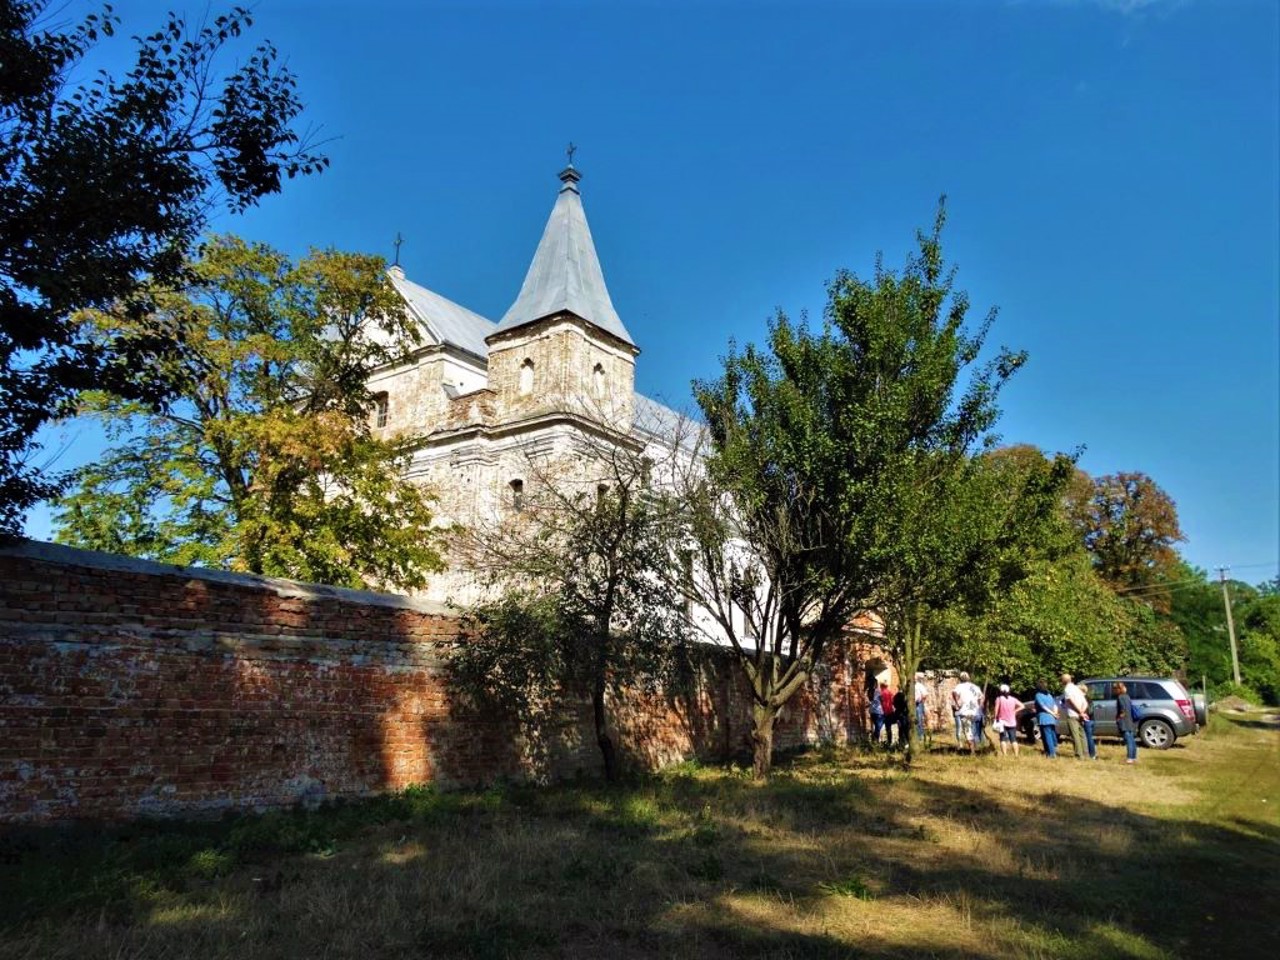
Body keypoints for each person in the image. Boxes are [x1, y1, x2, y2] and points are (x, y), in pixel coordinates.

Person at [1061, 673, 1095, 760]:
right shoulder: (1077, 688)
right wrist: (1083, 712)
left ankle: (1079, 755)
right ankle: (1086, 753)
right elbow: (1085, 702)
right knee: (1082, 735)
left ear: (1064, 681)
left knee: (1075, 735)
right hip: (1081, 714)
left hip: (1073, 715)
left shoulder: (1067, 689)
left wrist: (1079, 712)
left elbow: (1070, 701)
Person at [952, 672, 984, 755]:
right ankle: (976, 749)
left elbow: (954, 693)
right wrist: (980, 706)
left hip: (965, 712)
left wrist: (957, 703)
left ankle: (972, 751)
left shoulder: (959, 686)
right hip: (976, 712)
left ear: (960, 678)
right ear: (969, 678)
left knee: (968, 731)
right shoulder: (975, 686)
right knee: (975, 731)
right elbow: (982, 697)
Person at [992, 684, 1022, 757]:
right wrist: (1015, 711)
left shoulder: (999, 699)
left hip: (1002, 722)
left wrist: (995, 718)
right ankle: (1016, 755)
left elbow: (996, 710)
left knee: (1003, 739)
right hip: (1012, 722)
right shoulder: (1013, 699)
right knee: (1013, 739)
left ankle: (1005, 755)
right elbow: (1022, 706)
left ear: (1000, 691)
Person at [1034, 680, 1059, 758]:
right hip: (1052, 718)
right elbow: (1055, 705)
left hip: (1044, 718)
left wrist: (1052, 713)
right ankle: (1051, 751)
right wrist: (1055, 713)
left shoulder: (1038, 695)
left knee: (1047, 736)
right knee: (1052, 734)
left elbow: (1043, 706)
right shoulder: (1049, 695)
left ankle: (1052, 754)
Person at [1115, 680, 1139, 764]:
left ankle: (1129, 758)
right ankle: (1134, 757)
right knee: (1131, 739)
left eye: (1115, 689)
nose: (1114, 690)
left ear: (1119, 689)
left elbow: (1123, 710)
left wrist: (1118, 718)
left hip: (1124, 721)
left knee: (1128, 739)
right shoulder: (1127, 696)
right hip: (1130, 720)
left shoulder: (1120, 697)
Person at [879, 681, 896, 746]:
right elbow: (893, 702)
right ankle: (890, 741)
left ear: (882, 686)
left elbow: (880, 703)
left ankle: (883, 742)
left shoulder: (881, 693)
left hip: (884, 712)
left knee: (880, 727)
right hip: (890, 711)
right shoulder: (890, 692)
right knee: (889, 727)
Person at [914, 672, 930, 743]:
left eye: (914, 677)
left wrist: (921, 701)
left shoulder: (919, 685)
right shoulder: (909, 685)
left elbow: (925, 694)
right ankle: (914, 736)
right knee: (913, 720)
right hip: (911, 704)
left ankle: (920, 737)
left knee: (919, 720)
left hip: (918, 704)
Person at [868, 679, 885, 745]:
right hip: (878, 711)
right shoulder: (878, 691)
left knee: (876, 726)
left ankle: (874, 740)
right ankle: (875, 740)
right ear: (875, 684)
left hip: (872, 711)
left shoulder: (869, 691)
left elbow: (871, 701)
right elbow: (882, 700)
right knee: (878, 727)